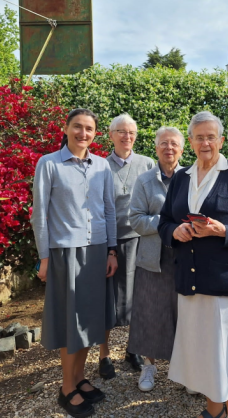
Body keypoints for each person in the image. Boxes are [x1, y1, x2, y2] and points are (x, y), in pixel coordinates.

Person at [158, 111, 228, 418]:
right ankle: (212, 411)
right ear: (190, 141)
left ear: (220, 140)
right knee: (206, 356)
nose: (205, 143)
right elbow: (166, 220)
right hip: (192, 283)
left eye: (211, 137)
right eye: (199, 137)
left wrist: (223, 230)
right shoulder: (181, 177)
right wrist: (174, 232)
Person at [32, 108, 118, 418]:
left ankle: (80, 379)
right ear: (66, 129)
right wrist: (44, 257)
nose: (83, 133)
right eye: (77, 127)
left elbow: (109, 210)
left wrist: (111, 251)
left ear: (96, 133)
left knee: (89, 323)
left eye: (89, 129)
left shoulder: (102, 166)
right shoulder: (49, 164)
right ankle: (66, 388)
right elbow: (39, 214)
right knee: (71, 323)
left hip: (96, 251)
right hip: (65, 252)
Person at [127, 126, 184, 392]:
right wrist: (166, 223)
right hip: (152, 258)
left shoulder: (191, 176)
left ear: (182, 149)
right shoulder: (144, 180)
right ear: (156, 147)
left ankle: (185, 369)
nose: (168, 148)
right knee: (150, 312)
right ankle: (149, 366)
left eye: (174, 144)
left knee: (184, 315)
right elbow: (136, 219)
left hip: (185, 258)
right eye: (163, 143)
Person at [100, 113, 155, 376]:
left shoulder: (147, 164)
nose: (127, 136)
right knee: (106, 298)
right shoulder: (99, 166)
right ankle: (104, 354)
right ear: (111, 135)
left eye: (131, 132)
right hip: (108, 241)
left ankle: (133, 350)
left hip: (140, 240)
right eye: (121, 131)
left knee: (138, 297)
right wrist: (109, 247)